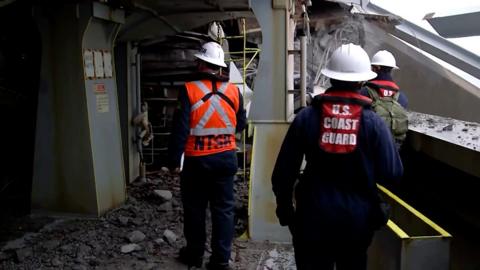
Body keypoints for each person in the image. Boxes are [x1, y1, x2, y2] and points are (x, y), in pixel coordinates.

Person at [271, 43, 403, 270]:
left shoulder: (306, 117)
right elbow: (392, 173)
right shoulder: (374, 124)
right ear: (362, 81)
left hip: (312, 218)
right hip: (356, 222)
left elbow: (283, 172)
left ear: (330, 77)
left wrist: (285, 208)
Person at [168, 41, 247, 270]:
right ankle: (220, 261)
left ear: (201, 63)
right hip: (225, 160)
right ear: (220, 67)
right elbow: (240, 124)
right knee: (223, 211)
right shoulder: (234, 90)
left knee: (195, 210)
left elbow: (180, 129)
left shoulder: (189, 89)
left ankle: (194, 255)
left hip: (197, 162)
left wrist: (174, 160)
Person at [360, 50, 409, 146]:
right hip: (392, 150)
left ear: (376, 68)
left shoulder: (363, 92)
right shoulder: (402, 97)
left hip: (369, 147)